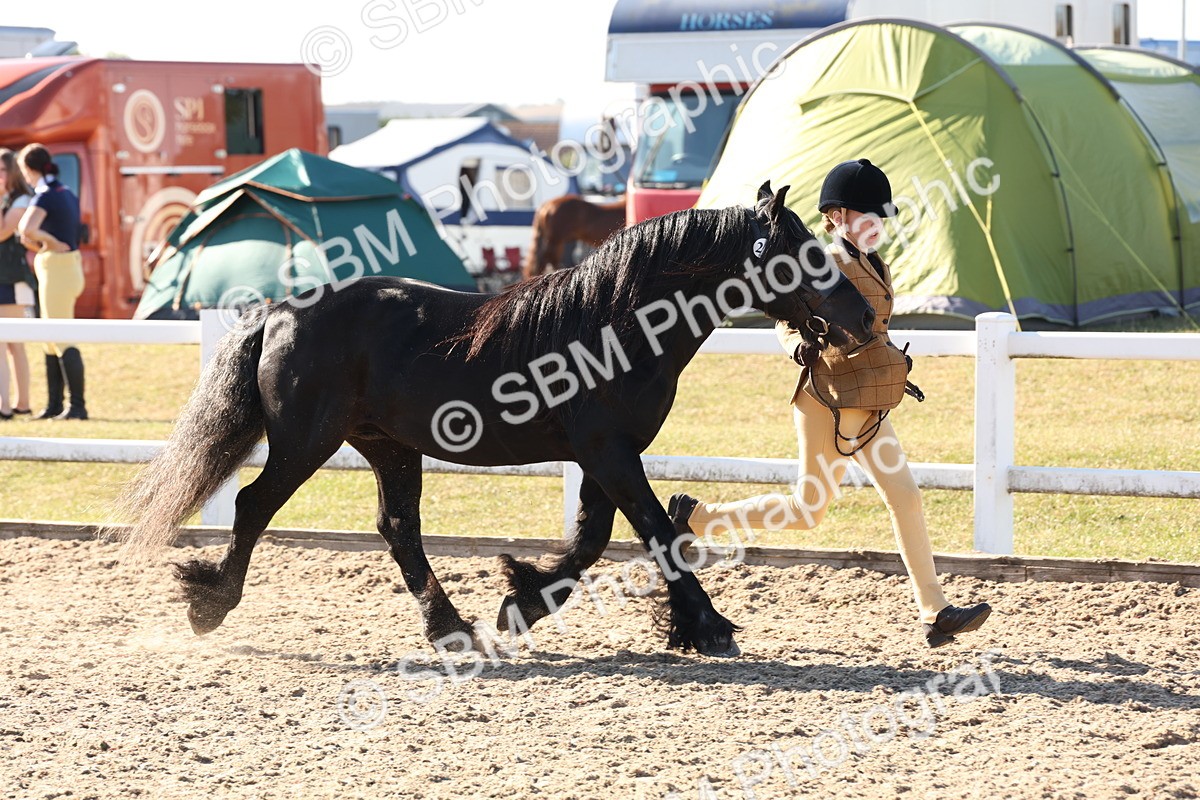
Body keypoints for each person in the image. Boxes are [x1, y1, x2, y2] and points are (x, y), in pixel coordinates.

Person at [668, 158, 991, 648]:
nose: (877, 224)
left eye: (881, 216)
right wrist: (795, 344)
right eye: (867, 215)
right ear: (837, 216)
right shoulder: (821, 262)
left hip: (869, 404)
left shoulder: (876, 263)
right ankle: (697, 518)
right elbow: (782, 319)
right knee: (807, 511)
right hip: (828, 402)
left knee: (905, 494)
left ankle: (935, 612)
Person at [17, 143, 87, 420]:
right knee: (50, 336)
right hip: (69, 268)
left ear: (28, 169)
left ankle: (77, 406)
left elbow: (26, 228)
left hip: (58, 270)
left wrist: (48, 241)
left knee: (60, 336)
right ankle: (54, 404)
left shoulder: (45, 195)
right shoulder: (66, 191)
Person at [0, 148, 37, 419]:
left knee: (11, 344)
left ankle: (11, 406)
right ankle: (17, 404)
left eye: (2, 170)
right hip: (6, 278)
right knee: (8, 344)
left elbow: (2, 232)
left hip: (12, 280)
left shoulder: (22, 199)